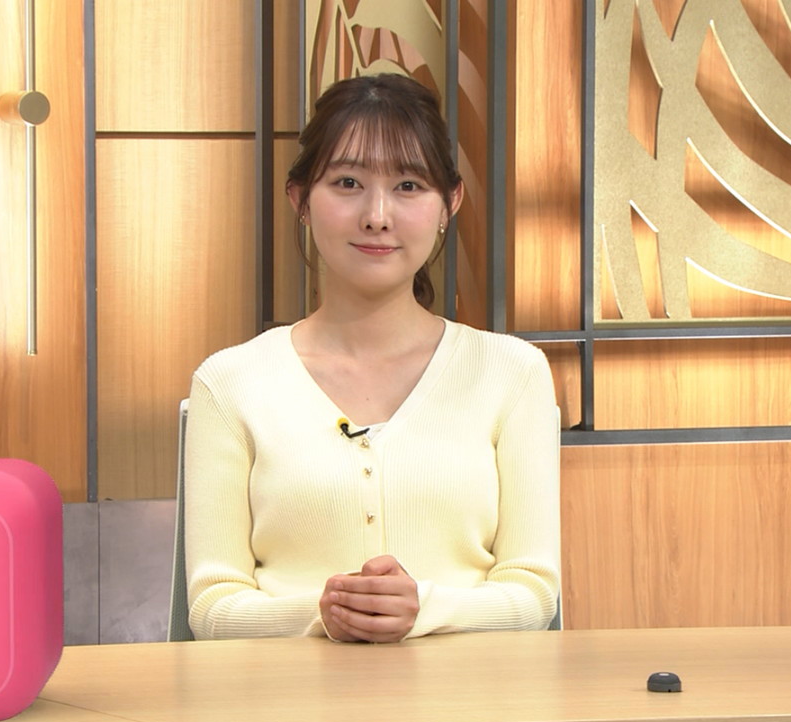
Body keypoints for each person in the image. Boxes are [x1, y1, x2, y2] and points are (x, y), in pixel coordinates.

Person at [184, 73, 559, 643]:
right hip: (285, 695)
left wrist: (424, 609)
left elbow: (533, 595)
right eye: (348, 182)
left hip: (468, 694)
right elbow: (213, 607)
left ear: (449, 203)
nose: (377, 215)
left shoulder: (512, 373)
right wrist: (325, 614)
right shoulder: (230, 382)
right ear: (300, 200)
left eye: (408, 185)